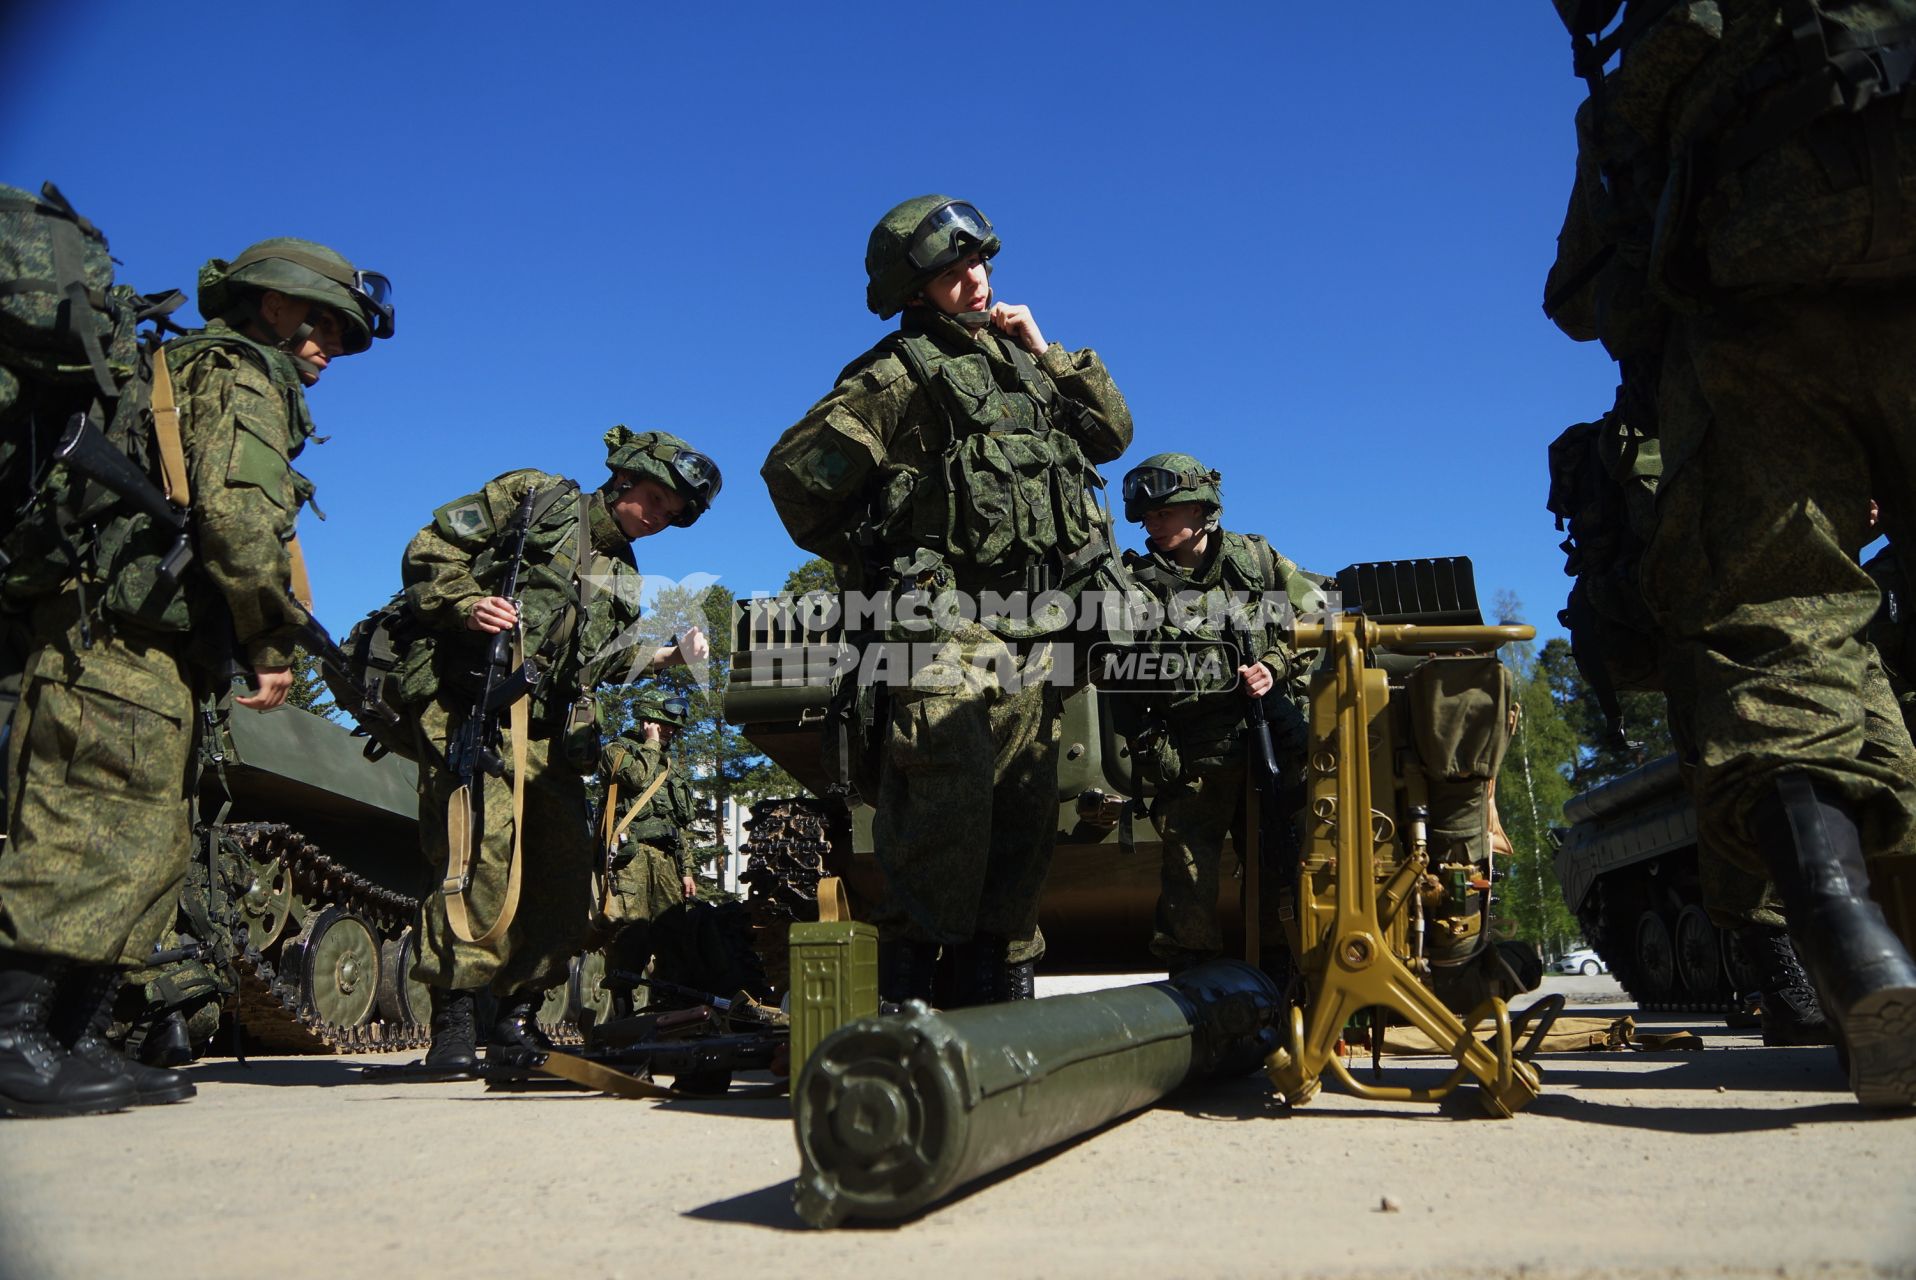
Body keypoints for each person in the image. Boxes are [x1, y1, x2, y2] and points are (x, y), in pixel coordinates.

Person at [1551, 0, 1916, 1105]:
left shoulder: (1660, 28)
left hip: (1751, 289)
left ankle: (1847, 936)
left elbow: (1579, 290)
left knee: (1778, 629)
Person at [0, 237, 393, 1116]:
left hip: (150, 654)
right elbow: (242, 526)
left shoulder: (206, 373)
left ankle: (66, 1041)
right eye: (324, 322)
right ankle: (11, 1037)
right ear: (276, 306)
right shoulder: (240, 373)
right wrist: (271, 642)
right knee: (83, 832)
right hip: (115, 648)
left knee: (141, 848)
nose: (331, 345)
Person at [761, 194, 1132, 1005]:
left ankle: (998, 1016)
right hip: (943, 632)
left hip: (1036, 636)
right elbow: (796, 483)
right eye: (952, 269)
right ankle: (911, 1015)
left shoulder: (1027, 365)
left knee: (1024, 825)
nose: (976, 278)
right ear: (912, 285)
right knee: (942, 821)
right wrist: (890, 554)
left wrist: (1046, 348)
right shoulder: (894, 377)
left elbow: (1111, 436)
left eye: (981, 262)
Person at [406, 426, 719, 1069]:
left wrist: (665, 657)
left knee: (565, 873)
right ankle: (455, 1023)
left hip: (549, 734)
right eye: (659, 500)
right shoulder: (537, 499)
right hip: (475, 707)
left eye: (675, 514)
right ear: (627, 478)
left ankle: (519, 1017)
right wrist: (467, 604)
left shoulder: (625, 575)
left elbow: (598, 662)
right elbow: (432, 548)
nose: (662, 519)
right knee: (479, 854)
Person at [1114, 453, 1319, 977]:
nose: (1152, 525)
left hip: (1271, 742)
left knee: (1281, 877)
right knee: (1187, 890)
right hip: (1192, 756)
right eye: (1146, 519)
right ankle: (1195, 1002)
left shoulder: (1258, 560)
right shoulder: (1134, 586)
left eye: (1163, 513)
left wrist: (1274, 664)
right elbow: (1114, 667)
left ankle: (1284, 997)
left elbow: (1321, 613)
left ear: (1203, 509)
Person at [595, 688, 701, 998]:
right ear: (647, 722)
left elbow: (677, 824)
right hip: (632, 856)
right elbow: (637, 778)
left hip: (666, 860)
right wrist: (652, 742)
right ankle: (621, 1008)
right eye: (664, 725)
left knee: (673, 932)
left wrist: (687, 869)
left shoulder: (668, 767)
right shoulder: (616, 751)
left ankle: (671, 1005)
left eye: (674, 728)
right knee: (631, 932)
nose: (672, 731)